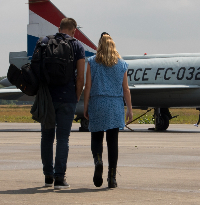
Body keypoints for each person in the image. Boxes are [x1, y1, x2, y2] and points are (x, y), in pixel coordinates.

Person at [34, 17, 86, 190]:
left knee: (46, 137)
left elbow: (35, 69)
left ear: (59, 28)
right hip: (67, 97)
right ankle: (59, 178)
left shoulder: (44, 42)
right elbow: (80, 77)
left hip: (47, 98)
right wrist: (76, 97)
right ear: (74, 30)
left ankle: (48, 176)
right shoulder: (77, 46)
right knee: (63, 138)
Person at [82, 33, 132, 189]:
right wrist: (129, 108)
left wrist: (85, 106)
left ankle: (98, 160)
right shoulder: (122, 64)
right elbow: (126, 89)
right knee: (113, 141)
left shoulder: (92, 62)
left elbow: (88, 86)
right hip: (115, 105)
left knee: (96, 137)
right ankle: (112, 177)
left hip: (98, 103)